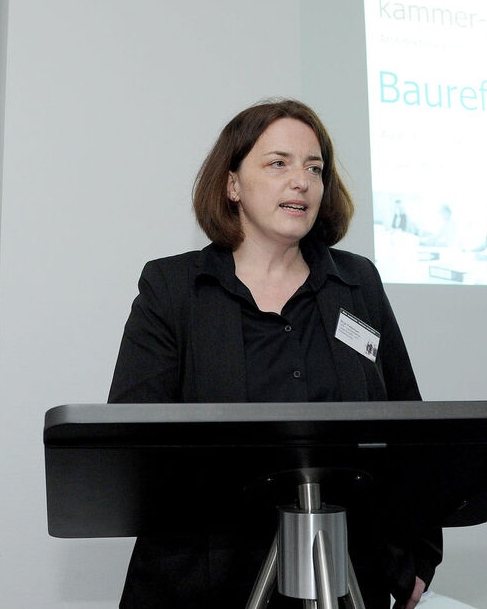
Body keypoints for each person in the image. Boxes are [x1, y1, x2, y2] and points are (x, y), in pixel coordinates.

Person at [108, 99, 441, 609]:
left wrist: (419, 555)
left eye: (314, 168)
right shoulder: (174, 288)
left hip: (345, 577)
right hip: (204, 581)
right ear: (232, 184)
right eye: (278, 163)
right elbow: (132, 446)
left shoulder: (356, 283)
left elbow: (406, 425)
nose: (301, 181)